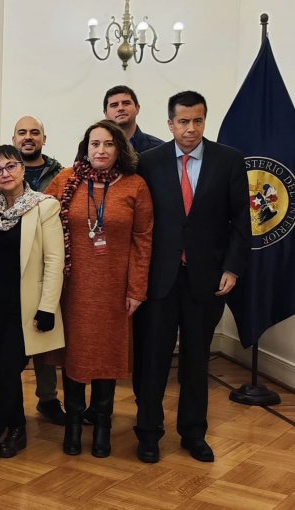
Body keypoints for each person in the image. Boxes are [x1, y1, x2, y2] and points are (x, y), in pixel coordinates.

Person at [134, 91, 249, 464]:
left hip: (208, 279)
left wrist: (232, 267)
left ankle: (193, 433)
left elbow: (241, 222)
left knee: (197, 362)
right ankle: (149, 433)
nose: (190, 128)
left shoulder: (228, 160)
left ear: (204, 121)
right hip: (159, 279)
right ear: (170, 124)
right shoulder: (148, 162)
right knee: (152, 360)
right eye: (183, 121)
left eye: (198, 120)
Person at [44, 120, 153, 459]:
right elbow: (40, 218)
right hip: (72, 287)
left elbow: (143, 239)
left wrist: (137, 288)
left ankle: (103, 426)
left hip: (115, 290)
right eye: (94, 144)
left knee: (108, 354)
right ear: (85, 147)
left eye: (108, 144)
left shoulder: (135, 186)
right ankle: (74, 425)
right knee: (75, 353)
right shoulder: (66, 180)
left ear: (119, 149)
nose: (100, 150)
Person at [0, 145, 65, 463]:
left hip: (26, 306)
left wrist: (47, 307)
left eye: (11, 166)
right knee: (5, 371)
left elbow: (55, 260)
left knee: (9, 368)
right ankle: (17, 429)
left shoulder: (44, 206)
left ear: (22, 168)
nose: (6, 173)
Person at [103, 85, 163, 154]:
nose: (120, 108)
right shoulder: (95, 151)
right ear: (105, 113)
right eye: (114, 105)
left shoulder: (159, 148)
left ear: (137, 108)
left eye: (126, 103)